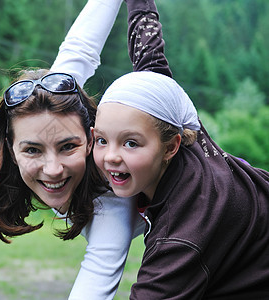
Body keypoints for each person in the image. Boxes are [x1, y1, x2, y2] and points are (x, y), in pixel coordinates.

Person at [0, 0, 173, 298]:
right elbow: (80, 49)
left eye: (68, 146)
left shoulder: (110, 202)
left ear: (90, 137)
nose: (53, 168)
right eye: (32, 150)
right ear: (10, 147)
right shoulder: (53, 102)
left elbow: (97, 276)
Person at [91, 0, 269, 298]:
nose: (111, 156)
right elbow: (149, 51)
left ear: (171, 146)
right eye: (102, 140)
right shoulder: (172, 118)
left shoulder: (181, 236)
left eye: (131, 143)